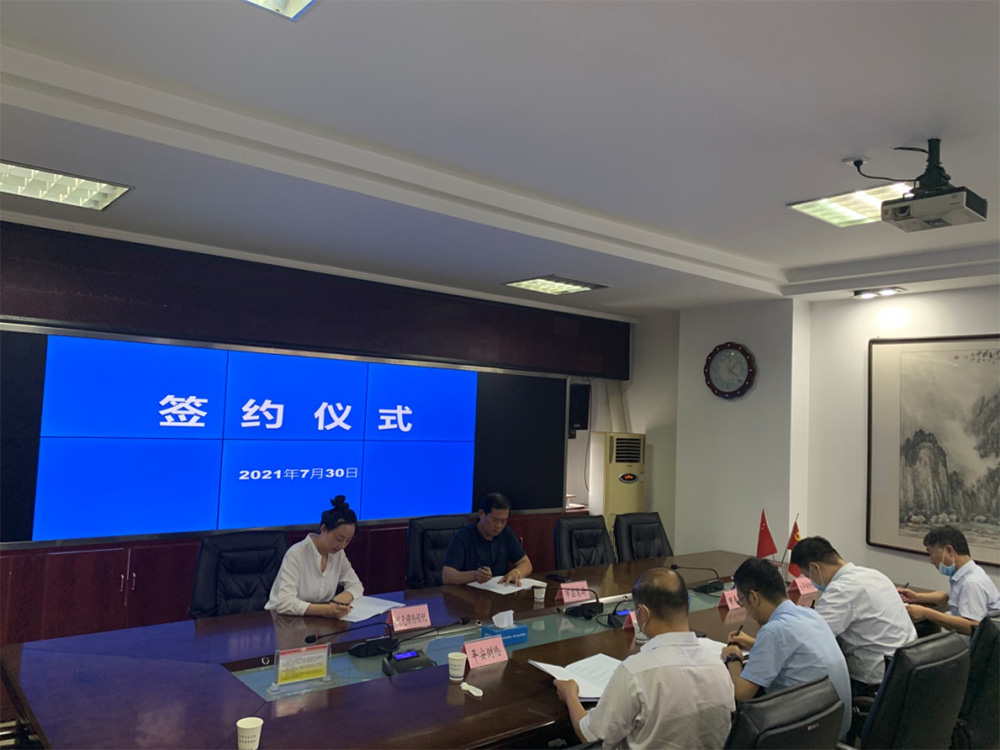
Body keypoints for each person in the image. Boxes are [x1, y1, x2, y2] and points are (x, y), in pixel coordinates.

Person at [553, 568, 735, 750]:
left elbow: (591, 735)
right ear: (687, 605)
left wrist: (570, 695)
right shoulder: (719, 667)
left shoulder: (636, 672)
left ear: (643, 614)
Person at [722, 557, 852, 740]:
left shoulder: (773, 631)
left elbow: (741, 695)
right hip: (832, 729)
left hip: (802, 736)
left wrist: (733, 657)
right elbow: (791, 647)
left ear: (754, 597)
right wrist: (753, 643)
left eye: (742, 601)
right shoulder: (809, 614)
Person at [790, 536, 916, 694]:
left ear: (815, 568)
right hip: (907, 673)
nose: (811, 581)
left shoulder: (841, 589)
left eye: (808, 576)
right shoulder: (874, 574)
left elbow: (811, 640)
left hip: (874, 684)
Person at [265, 496, 363, 617]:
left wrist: (341, 599)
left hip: (316, 619)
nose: (342, 545)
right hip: (282, 619)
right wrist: (327, 610)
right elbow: (284, 603)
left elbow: (356, 586)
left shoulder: (338, 554)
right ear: (323, 528)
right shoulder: (296, 554)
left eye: (348, 541)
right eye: (339, 539)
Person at [898, 525, 1000, 638]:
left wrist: (927, 613)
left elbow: (972, 627)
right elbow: (948, 596)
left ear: (949, 550)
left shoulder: (971, 583)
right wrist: (917, 597)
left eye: (931, 553)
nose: (931, 561)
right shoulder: (968, 573)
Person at [442, 492, 532, 585]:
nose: (499, 526)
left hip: (498, 590)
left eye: (503, 521)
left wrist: (517, 572)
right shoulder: (462, 536)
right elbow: (447, 576)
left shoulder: (506, 533)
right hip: (469, 591)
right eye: (495, 520)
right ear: (481, 514)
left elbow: (526, 563)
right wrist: (475, 576)